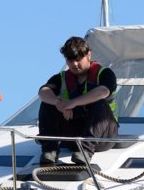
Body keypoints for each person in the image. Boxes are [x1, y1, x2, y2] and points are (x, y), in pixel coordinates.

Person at [37, 36, 118, 164]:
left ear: (89, 55)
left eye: (78, 59)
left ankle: (85, 151)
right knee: (47, 104)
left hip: (103, 135)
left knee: (100, 103)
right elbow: (43, 92)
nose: (74, 64)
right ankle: (49, 150)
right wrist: (58, 103)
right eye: (70, 60)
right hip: (75, 135)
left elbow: (103, 91)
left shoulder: (105, 74)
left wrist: (72, 103)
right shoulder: (61, 78)